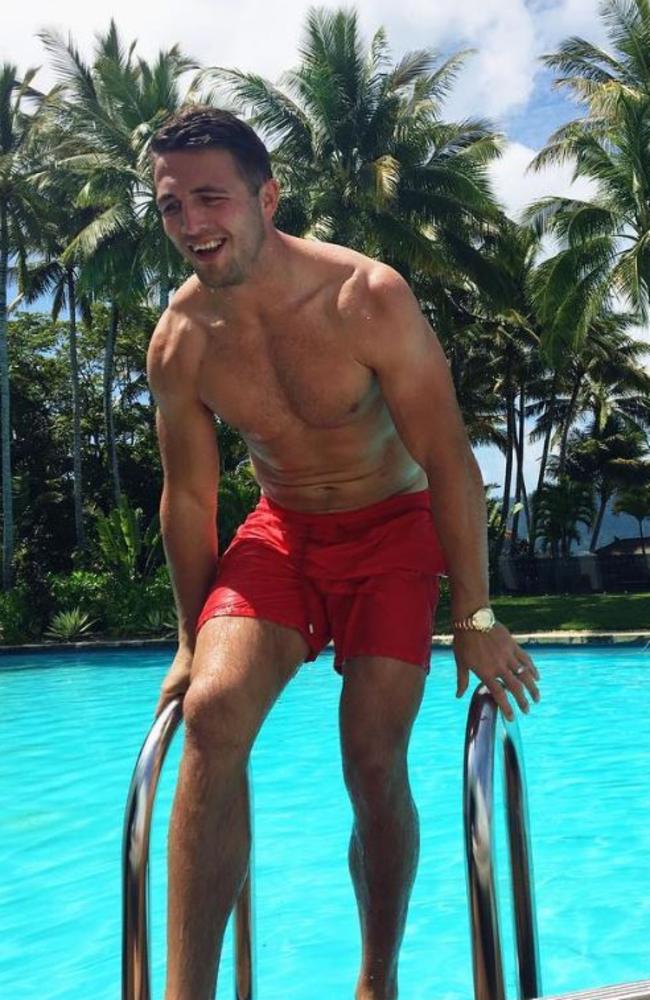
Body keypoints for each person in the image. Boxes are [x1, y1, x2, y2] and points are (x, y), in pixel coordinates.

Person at [146, 105, 540, 1000]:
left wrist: (473, 615)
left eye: (211, 198)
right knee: (211, 715)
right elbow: (193, 497)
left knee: (370, 757)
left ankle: (377, 978)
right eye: (172, 207)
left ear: (266, 196)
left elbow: (446, 458)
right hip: (281, 531)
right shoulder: (179, 341)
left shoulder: (366, 297)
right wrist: (185, 637)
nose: (193, 224)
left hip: (393, 528)